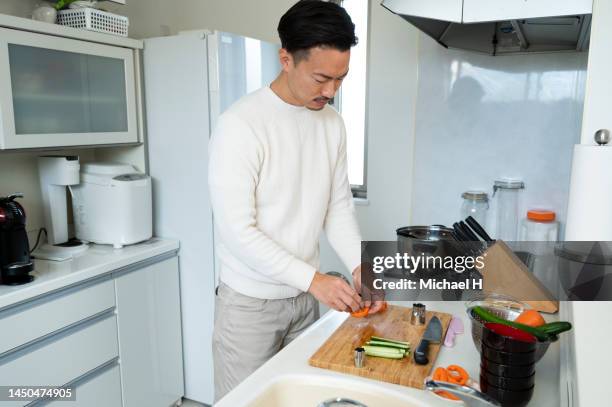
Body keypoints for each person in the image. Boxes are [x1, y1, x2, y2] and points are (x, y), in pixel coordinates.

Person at [208, 0, 383, 401]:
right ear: (285, 58)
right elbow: (238, 231)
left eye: (341, 79)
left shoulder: (333, 125)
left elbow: (337, 207)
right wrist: (316, 280)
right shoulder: (241, 125)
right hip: (249, 309)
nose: (331, 91)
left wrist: (359, 265)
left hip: (304, 302)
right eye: (321, 78)